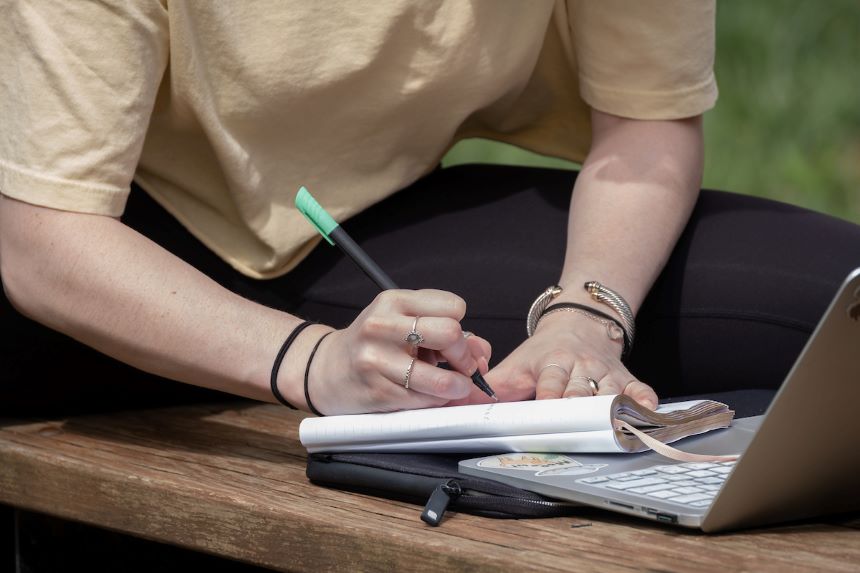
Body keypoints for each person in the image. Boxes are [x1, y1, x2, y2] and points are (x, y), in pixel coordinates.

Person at [1, 1, 858, 418]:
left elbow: (646, 120)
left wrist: (585, 315)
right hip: (89, 249)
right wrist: (310, 365)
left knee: (839, 309)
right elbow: (41, 237)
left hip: (355, 215)